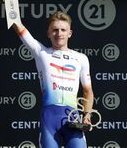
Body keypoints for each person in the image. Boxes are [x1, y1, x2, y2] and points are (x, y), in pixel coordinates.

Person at [12, 11, 94, 148]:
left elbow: (88, 91)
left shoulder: (81, 58)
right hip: (49, 118)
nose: (59, 33)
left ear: (70, 33)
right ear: (48, 33)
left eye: (63, 30)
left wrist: (87, 116)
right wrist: (11, 8)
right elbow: (20, 28)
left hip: (73, 117)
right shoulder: (41, 53)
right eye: (55, 30)